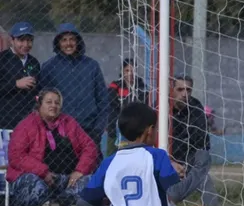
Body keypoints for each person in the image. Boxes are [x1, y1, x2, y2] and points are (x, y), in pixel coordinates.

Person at [5, 88, 100, 206]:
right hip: (39, 178)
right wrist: (43, 172)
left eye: (57, 102)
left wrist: (80, 170)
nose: (53, 105)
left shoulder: (69, 122)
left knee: (92, 183)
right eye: (49, 102)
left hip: (67, 179)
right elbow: (16, 156)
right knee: (34, 186)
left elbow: (90, 147)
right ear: (40, 104)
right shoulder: (26, 125)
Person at [40, 23, 107, 151]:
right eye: (64, 40)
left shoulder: (92, 66)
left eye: (72, 39)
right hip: (60, 131)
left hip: (89, 130)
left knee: (91, 162)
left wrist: (97, 130)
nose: (68, 43)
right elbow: (42, 101)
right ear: (58, 43)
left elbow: (103, 100)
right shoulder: (48, 67)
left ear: (78, 41)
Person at [168, 75, 219, 206]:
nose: (185, 94)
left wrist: (189, 164)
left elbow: (202, 143)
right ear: (171, 90)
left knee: (206, 183)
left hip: (188, 161)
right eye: (180, 89)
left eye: (188, 90)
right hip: (165, 160)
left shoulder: (196, 108)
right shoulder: (160, 107)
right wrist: (170, 162)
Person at [0, 22, 42, 130]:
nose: (26, 44)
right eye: (21, 40)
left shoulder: (34, 62)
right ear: (12, 40)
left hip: (28, 122)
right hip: (5, 122)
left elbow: (38, 89)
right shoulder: (2, 59)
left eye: (29, 40)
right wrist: (16, 84)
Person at [107, 58, 148, 152]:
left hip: (136, 129)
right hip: (115, 129)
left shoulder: (141, 87)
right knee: (112, 154)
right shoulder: (115, 86)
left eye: (133, 70)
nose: (130, 73)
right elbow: (112, 107)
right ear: (122, 71)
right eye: (127, 70)